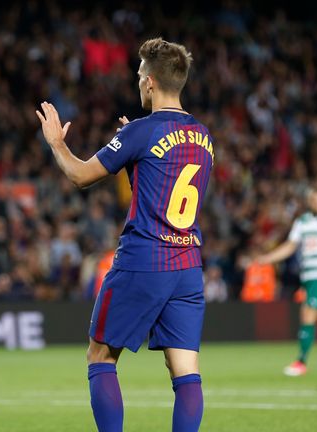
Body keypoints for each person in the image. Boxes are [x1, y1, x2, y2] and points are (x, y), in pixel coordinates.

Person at [36, 37, 212, 432]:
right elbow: (165, 187)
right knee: (185, 370)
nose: (136, 83)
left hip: (144, 260)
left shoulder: (141, 132)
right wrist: (136, 158)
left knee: (100, 356)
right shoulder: (204, 137)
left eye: (138, 76)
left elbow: (81, 175)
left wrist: (57, 144)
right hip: (187, 266)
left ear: (150, 82)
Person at [254, 186, 317, 376]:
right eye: (315, 200)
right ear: (310, 201)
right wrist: (267, 258)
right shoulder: (303, 222)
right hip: (308, 277)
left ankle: (301, 361)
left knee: (307, 311)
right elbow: (290, 246)